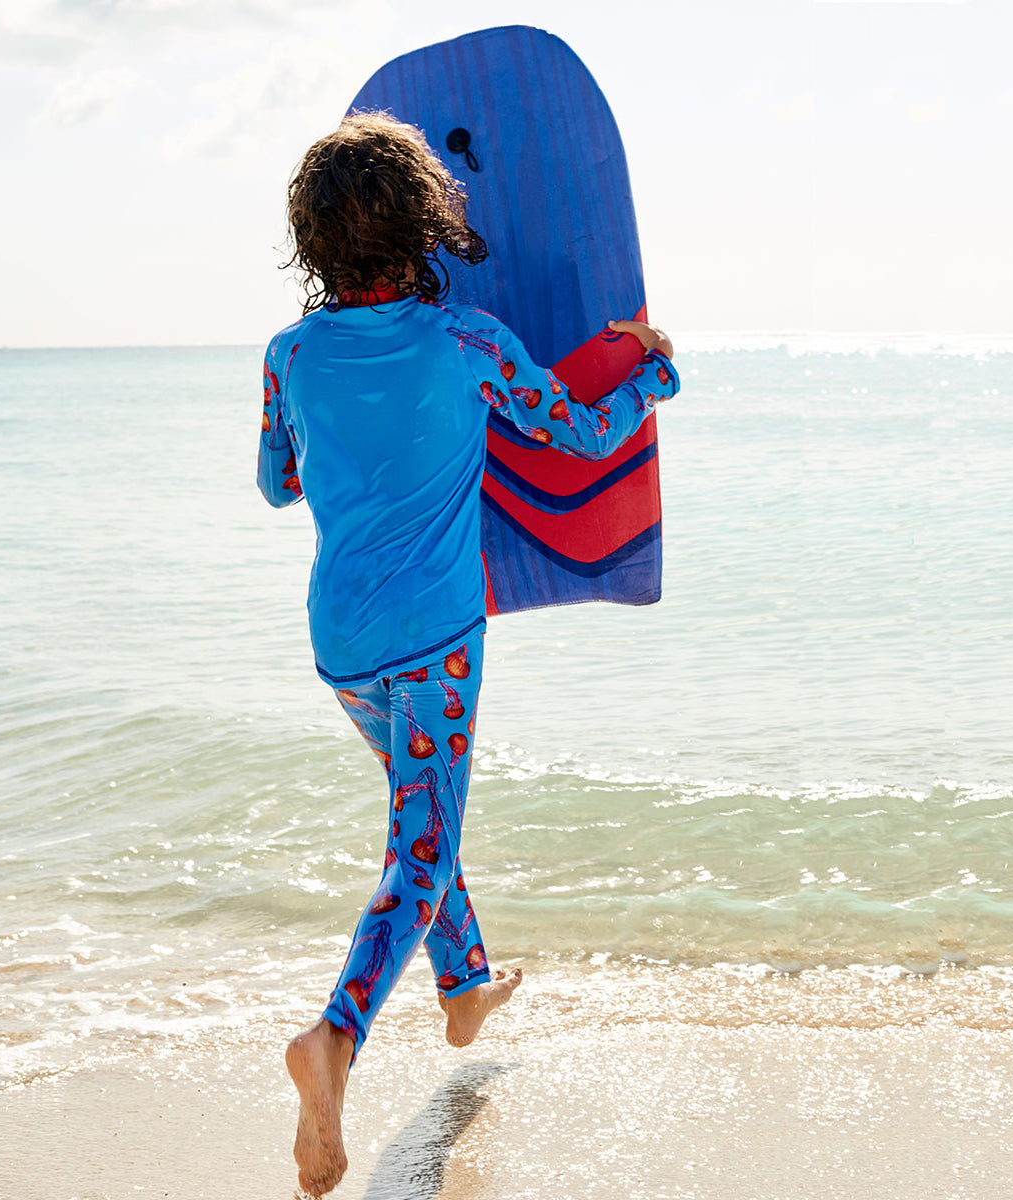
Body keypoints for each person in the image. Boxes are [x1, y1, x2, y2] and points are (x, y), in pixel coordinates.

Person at [258, 111, 679, 1198]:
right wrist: (651, 377)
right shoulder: (470, 342)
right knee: (423, 848)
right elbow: (578, 435)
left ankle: (466, 986)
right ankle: (335, 1039)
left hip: (342, 643)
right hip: (437, 637)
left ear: (316, 240)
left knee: (421, 816)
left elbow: (278, 483)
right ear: (428, 223)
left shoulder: (289, 356)